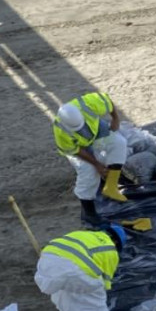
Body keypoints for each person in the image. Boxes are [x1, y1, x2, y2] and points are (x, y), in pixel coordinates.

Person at [34, 223, 129, 311]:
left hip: (48, 259)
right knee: (92, 299)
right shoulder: (111, 250)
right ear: (117, 243)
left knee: (65, 295)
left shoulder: (84, 234)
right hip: (76, 269)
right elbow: (105, 282)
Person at [53, 92, 129, 225]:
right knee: (88, 171)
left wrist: (115, 119)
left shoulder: (88, 104)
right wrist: (96, 164)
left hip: (96, 129)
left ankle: (111, 186)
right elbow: (75, 150)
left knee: (119, 143)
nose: (79, 128)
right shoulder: (60, 131)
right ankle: (88, 212)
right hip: (79, 147)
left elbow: (108, 102)